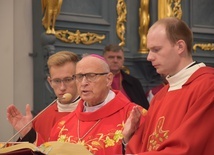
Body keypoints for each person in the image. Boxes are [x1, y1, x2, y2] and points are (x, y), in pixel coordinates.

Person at [122, 17, 214, 155]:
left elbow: (188, 148)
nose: (149, 57)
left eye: (156, 49)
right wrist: (129, 138)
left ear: (180, 47)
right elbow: (145, 147)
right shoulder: (161, 96)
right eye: (149, 50)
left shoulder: (207, 86)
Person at [48, 54, 147, 155]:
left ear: (109, 79)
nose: (83, 83)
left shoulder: (134, 116)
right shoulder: (62, 126)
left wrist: (127, 143)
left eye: (91, 76)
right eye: (79, 76)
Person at [7, 51, 80, 146]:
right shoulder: (41, 118)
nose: (62, 87)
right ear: (50, 82)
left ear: (79, 78)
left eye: (68, 79)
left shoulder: (91, 114)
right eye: (57, 81)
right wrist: (27, 132)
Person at [103, 44, 149, 110]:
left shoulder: (134, 83)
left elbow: (144, 108)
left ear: (123, 60)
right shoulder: (97, 81)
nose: (115, 61)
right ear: (104, 59)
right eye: (111, 57)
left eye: (119, 57)